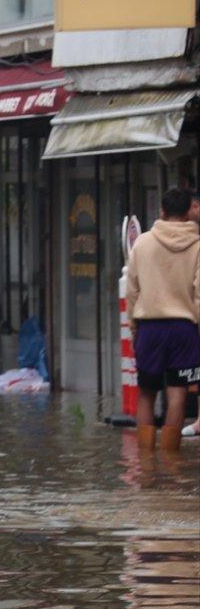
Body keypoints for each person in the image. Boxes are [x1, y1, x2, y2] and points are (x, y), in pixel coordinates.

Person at [127, 187, 200, 451]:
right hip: (184, 330)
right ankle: (172, 463)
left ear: (162, 211)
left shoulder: (143, 243)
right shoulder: (198, 246)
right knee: (178, 394)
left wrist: (135, 328)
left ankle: (146, 462)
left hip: (150, 328)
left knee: (146, 393)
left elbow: (132, 290)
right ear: (188, 211)